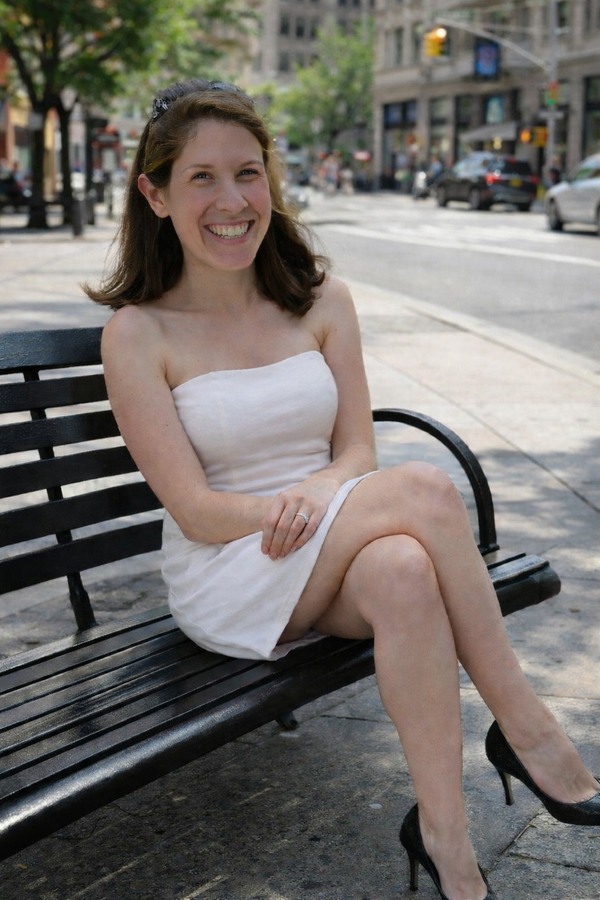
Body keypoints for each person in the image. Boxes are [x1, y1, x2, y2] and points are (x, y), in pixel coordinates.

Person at [85, 78, 600, 900]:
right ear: (155, 195)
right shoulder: (139, 333)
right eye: (202, 178)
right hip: (229, 567)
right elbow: (195, 512)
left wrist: (325, 490)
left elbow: (356, 449)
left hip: (332, 540)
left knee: (404, 570)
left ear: (271, 179)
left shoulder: (322, 299)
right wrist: (300, 508)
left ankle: (448, 844)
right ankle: (529, 729)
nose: (232, 201)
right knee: (425, 489)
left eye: (248, 173)